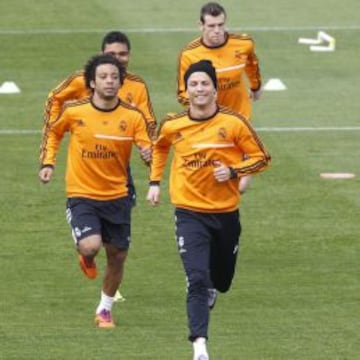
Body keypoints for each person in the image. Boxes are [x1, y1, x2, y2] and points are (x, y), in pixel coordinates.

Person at [147, 60, 270, 360]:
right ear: (185, 91)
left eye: (204, 84)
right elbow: (160, 146)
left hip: (226, 213)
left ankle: (214, 287)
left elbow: (261, 157)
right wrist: (155, 182)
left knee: (221, 280)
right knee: (197, 278)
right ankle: (199, 346)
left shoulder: (234, 123)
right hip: (188, 213)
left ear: (215, 88)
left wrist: (232, 171)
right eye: (194, 85)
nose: (199, 89)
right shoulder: (173, 125)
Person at [39, 54, 152, 328]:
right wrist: (48, 162)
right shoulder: (75, 111)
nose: (110, 82)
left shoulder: (132, 116)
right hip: (82, 194)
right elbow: (53, 133)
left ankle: (104, 310)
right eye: (103, 77)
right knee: (91, 245)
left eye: (114, 77)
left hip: (117, 196)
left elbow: (147, 146)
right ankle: (86, 254)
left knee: (118, 256)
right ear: (92, 82)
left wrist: (149, 155)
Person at [177, 2, 262, 193]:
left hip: (239, 114)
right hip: (208, 118)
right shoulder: (190, 54)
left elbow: (252, 64)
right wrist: (199, 98)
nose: (217, 31)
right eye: (211, 26)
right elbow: (182, 93)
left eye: (220, 25)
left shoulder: (243, 44)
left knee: (239, 188)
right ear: (201, 26)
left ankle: (245, 165)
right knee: (209, 175)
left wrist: (256, 87)